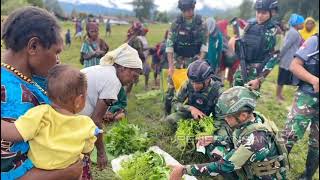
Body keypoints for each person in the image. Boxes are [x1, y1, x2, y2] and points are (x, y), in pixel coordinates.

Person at [1, 6, 83, 180]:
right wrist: (67, 172)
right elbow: (8, 173)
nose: (58, 60)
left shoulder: (27, 78)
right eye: (56, 52)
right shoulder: (12, 98)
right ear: (33, 46)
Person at [1, 65, 101, 179]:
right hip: (69, 173)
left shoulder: (40, 113)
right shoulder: (87, 124)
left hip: (40, 171)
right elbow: (88, 148)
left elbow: (13, 133)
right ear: (79, 100)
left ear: (47, 95)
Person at [170, 86, 289, 180]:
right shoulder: (253, 119)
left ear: (242, 115)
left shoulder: (255, 140)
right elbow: (239, 139)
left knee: (221, 161)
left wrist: (184, 170)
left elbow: (226, 165)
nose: (225, 120)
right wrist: (214, 139)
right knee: (214, 147)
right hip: (253, 167)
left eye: (228, 117)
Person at [79, 43, 142, 170]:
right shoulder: (113, 81)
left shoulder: (104, 70)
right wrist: (102, 153)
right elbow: (96, 120)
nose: (133, 81)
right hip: (74, 120)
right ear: (123, 68)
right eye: (134, 76)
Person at [281, 34, 319, 180]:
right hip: (307, 96)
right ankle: (274, 171)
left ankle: (307, 176)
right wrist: (313, 79)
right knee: (289, 134)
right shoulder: (315, 41)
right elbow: (294, 65)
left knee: (317, 143)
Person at [165, 0, 208, 115]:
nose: (188, 12)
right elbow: (169, 45)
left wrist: (200, 62)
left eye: (190, 9)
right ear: (181, 10)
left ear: (193, 8)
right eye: (185, 10)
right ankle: (167, 113)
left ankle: (191, 112)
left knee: (192, 86)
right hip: (178, 58)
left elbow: (204, 45)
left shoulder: (201, 23)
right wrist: (170, 66)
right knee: (171, 88)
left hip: (194, 59)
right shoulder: (176, 23)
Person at [233, 0, 279, 90]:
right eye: (258, 12)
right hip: (241, 69)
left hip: (255, 75)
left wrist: (259, 80)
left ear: (272, 12)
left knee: (247, 102)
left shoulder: (275, 31)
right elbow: (241, 43)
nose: (260, 16)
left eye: (264, 13)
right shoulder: (250, 25)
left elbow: (274, 57)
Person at [165, 60, 223, 131]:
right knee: (170, 119)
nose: (194, 86)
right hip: (190, 115)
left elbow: (222, 117)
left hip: (209, 120)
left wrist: (210, 125)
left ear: (208, 79)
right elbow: (175, 102)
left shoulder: (217, 90)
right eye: (193, 82)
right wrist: (191, 108)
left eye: (198, 83)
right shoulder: (188, 83)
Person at [276, 14, 304, 102]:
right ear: (296, 24)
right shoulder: (293, 33)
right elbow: (285, 46)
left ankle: (280, 95)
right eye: (301, 23)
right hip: (286, 60)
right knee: (281, 78)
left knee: (284, 78)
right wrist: (279, 56)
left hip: (289, 59)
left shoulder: (295, 32)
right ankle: (277, 96)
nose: (303, 25)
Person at [125, 21, 148, 94]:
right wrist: (144, 59)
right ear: (138, 30)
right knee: (134, 76)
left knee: (131, 77)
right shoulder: (136, 39)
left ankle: (127, 93)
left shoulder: (131, 38)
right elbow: (139, 51)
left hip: (129, 60)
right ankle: (126, 93)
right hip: (135, 61)